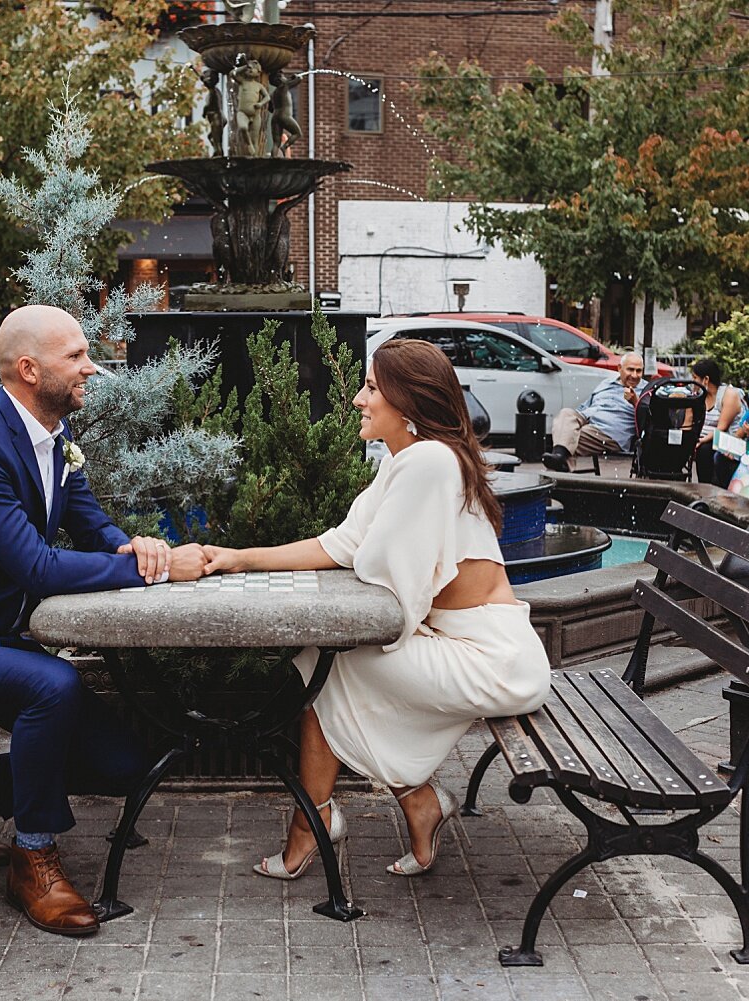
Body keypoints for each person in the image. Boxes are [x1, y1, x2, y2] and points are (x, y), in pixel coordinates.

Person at [0, 304, 207, 937]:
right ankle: (33, 857)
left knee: (123, 761)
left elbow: (91, 521)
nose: (91, 368)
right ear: (29, 369)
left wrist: (135, 547)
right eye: (76, 357)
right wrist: (155, 572)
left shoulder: (51, 435)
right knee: (52, 687)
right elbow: (40, 569)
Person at [201, 339, 550, 880]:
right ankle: (400, 805)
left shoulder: (429, 462)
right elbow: (342, 544)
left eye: (371, 389)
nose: (359, 400)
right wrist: (239, 559)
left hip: (492, 658)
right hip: (468, 643)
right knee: (325, 660)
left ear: (406, 402)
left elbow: (383, 578)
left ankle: (317, 823)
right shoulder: (408, 460)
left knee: (327, 661)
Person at [541, 352, 646, 472]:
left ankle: (559, 460)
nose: (634, 375)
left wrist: (635, 402)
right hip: (589, 420)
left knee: (567, 437)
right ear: (619, 368)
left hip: (610, 432)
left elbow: (649, 419)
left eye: (639, 371)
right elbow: (586, 405)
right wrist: (573, 422)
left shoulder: (645, 391)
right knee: (566, 414)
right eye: (630, 370)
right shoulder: (606, 384)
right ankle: (560, 462)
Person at [689, 357, 745, 488]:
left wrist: (701, 440)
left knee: (704, 450)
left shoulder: (728, 394)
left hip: (729, 440)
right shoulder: (698, 394)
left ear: (706, 380)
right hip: (709, 440)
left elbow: (722, 428)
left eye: (695, 378)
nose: (693, 382)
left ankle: (710, 490)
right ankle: (702, 489)